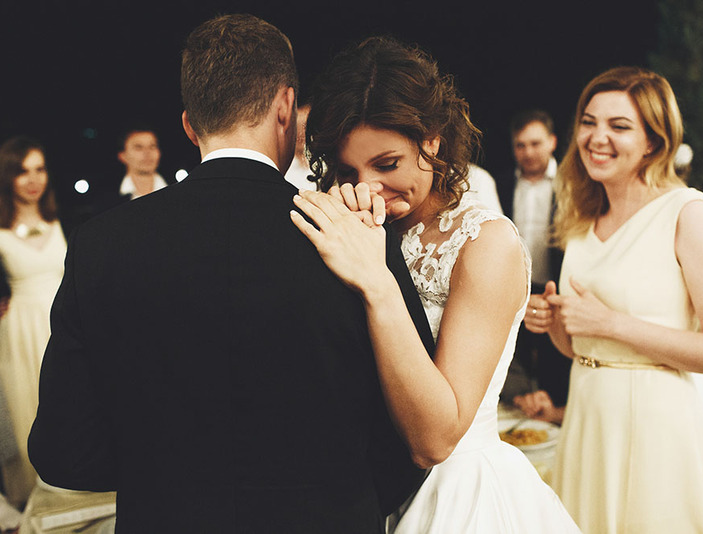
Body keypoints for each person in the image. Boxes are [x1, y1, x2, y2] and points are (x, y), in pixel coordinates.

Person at [28, 14, 434, 532]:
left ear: (189, 125)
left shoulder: (101, 245)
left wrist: (167, 476)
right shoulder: (353, 233)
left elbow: (62, 450)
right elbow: (408, 438)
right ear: (286, 107)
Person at [291, 36, 579, 533]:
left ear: (432, 139)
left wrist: (376, 281)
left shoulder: (485, 244)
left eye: (387, 164)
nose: (367, 188)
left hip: (456, 496)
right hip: (355, 494)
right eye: (347, 171)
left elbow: (435, 439)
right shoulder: (353, 228)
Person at [524, 66, 703, 533]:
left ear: (654, 141)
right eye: (588, 121)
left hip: (655, 433)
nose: (596, 137)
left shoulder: (689, 213)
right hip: (588, 422)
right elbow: (585, 353)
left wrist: (611, 323)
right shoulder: (582, 222)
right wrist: (558, 325)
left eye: (619, 126)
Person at [0, 136, 67, 507]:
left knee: (64, 405)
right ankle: (29, 506)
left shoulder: (62, 217)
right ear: (7, 178)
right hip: (17, 333)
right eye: (22, 172)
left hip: (61, 325)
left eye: (39, 169)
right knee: (24, 414)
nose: (33, 179)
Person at [498, 109, 570, 423]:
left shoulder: (570, 183)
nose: (528, 152)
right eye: (520, 145)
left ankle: (555, 415)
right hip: (514, 288)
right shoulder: (501, 184)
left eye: (535, 143)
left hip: (556, 286)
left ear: (552, 142)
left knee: (558, 357)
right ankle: (525, 414)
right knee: (517, 355)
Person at [283, 102, 317, 190]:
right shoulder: (284, 168)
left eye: (305, 129)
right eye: (296, 128)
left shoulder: (325, 164)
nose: (301, 135)